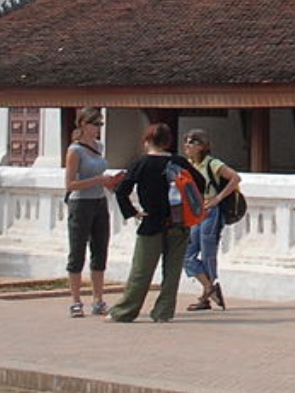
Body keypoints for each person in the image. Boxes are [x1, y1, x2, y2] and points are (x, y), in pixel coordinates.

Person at [107, 122, 203, 323]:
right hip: (178, 222)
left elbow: (122, 191)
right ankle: (163, 312)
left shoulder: (141, 163)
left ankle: (125, 311)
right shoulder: (179, 162)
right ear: (167, 141)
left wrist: (133, 212)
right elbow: (200, 183)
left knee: (141, 272)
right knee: (172, 273)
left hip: (151, 222)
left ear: (147, 141)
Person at [62, 108, 123, 318]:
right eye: (95, 124)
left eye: (100, 125)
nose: (98, 129)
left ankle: (98, 298)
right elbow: (70, 184)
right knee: (77, 250)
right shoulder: (75, 151)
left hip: (99, 201)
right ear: (83, 125)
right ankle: (75, 300)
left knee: (100, 249)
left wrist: (111, 183)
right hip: (80, 204)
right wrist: (99, 180)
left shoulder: (99, 147)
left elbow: (101, 175)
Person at [180, 129, 241, 311]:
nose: (187, 146)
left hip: (210, 212)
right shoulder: (190, 165)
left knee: (208, 253)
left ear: (201, 146)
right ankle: (209, 288)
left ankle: (207, 292)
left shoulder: (212, 164)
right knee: (187, 254)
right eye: (186, 142)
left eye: (191, 142)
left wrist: (218, 199)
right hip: (196, 212)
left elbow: (235, 178)